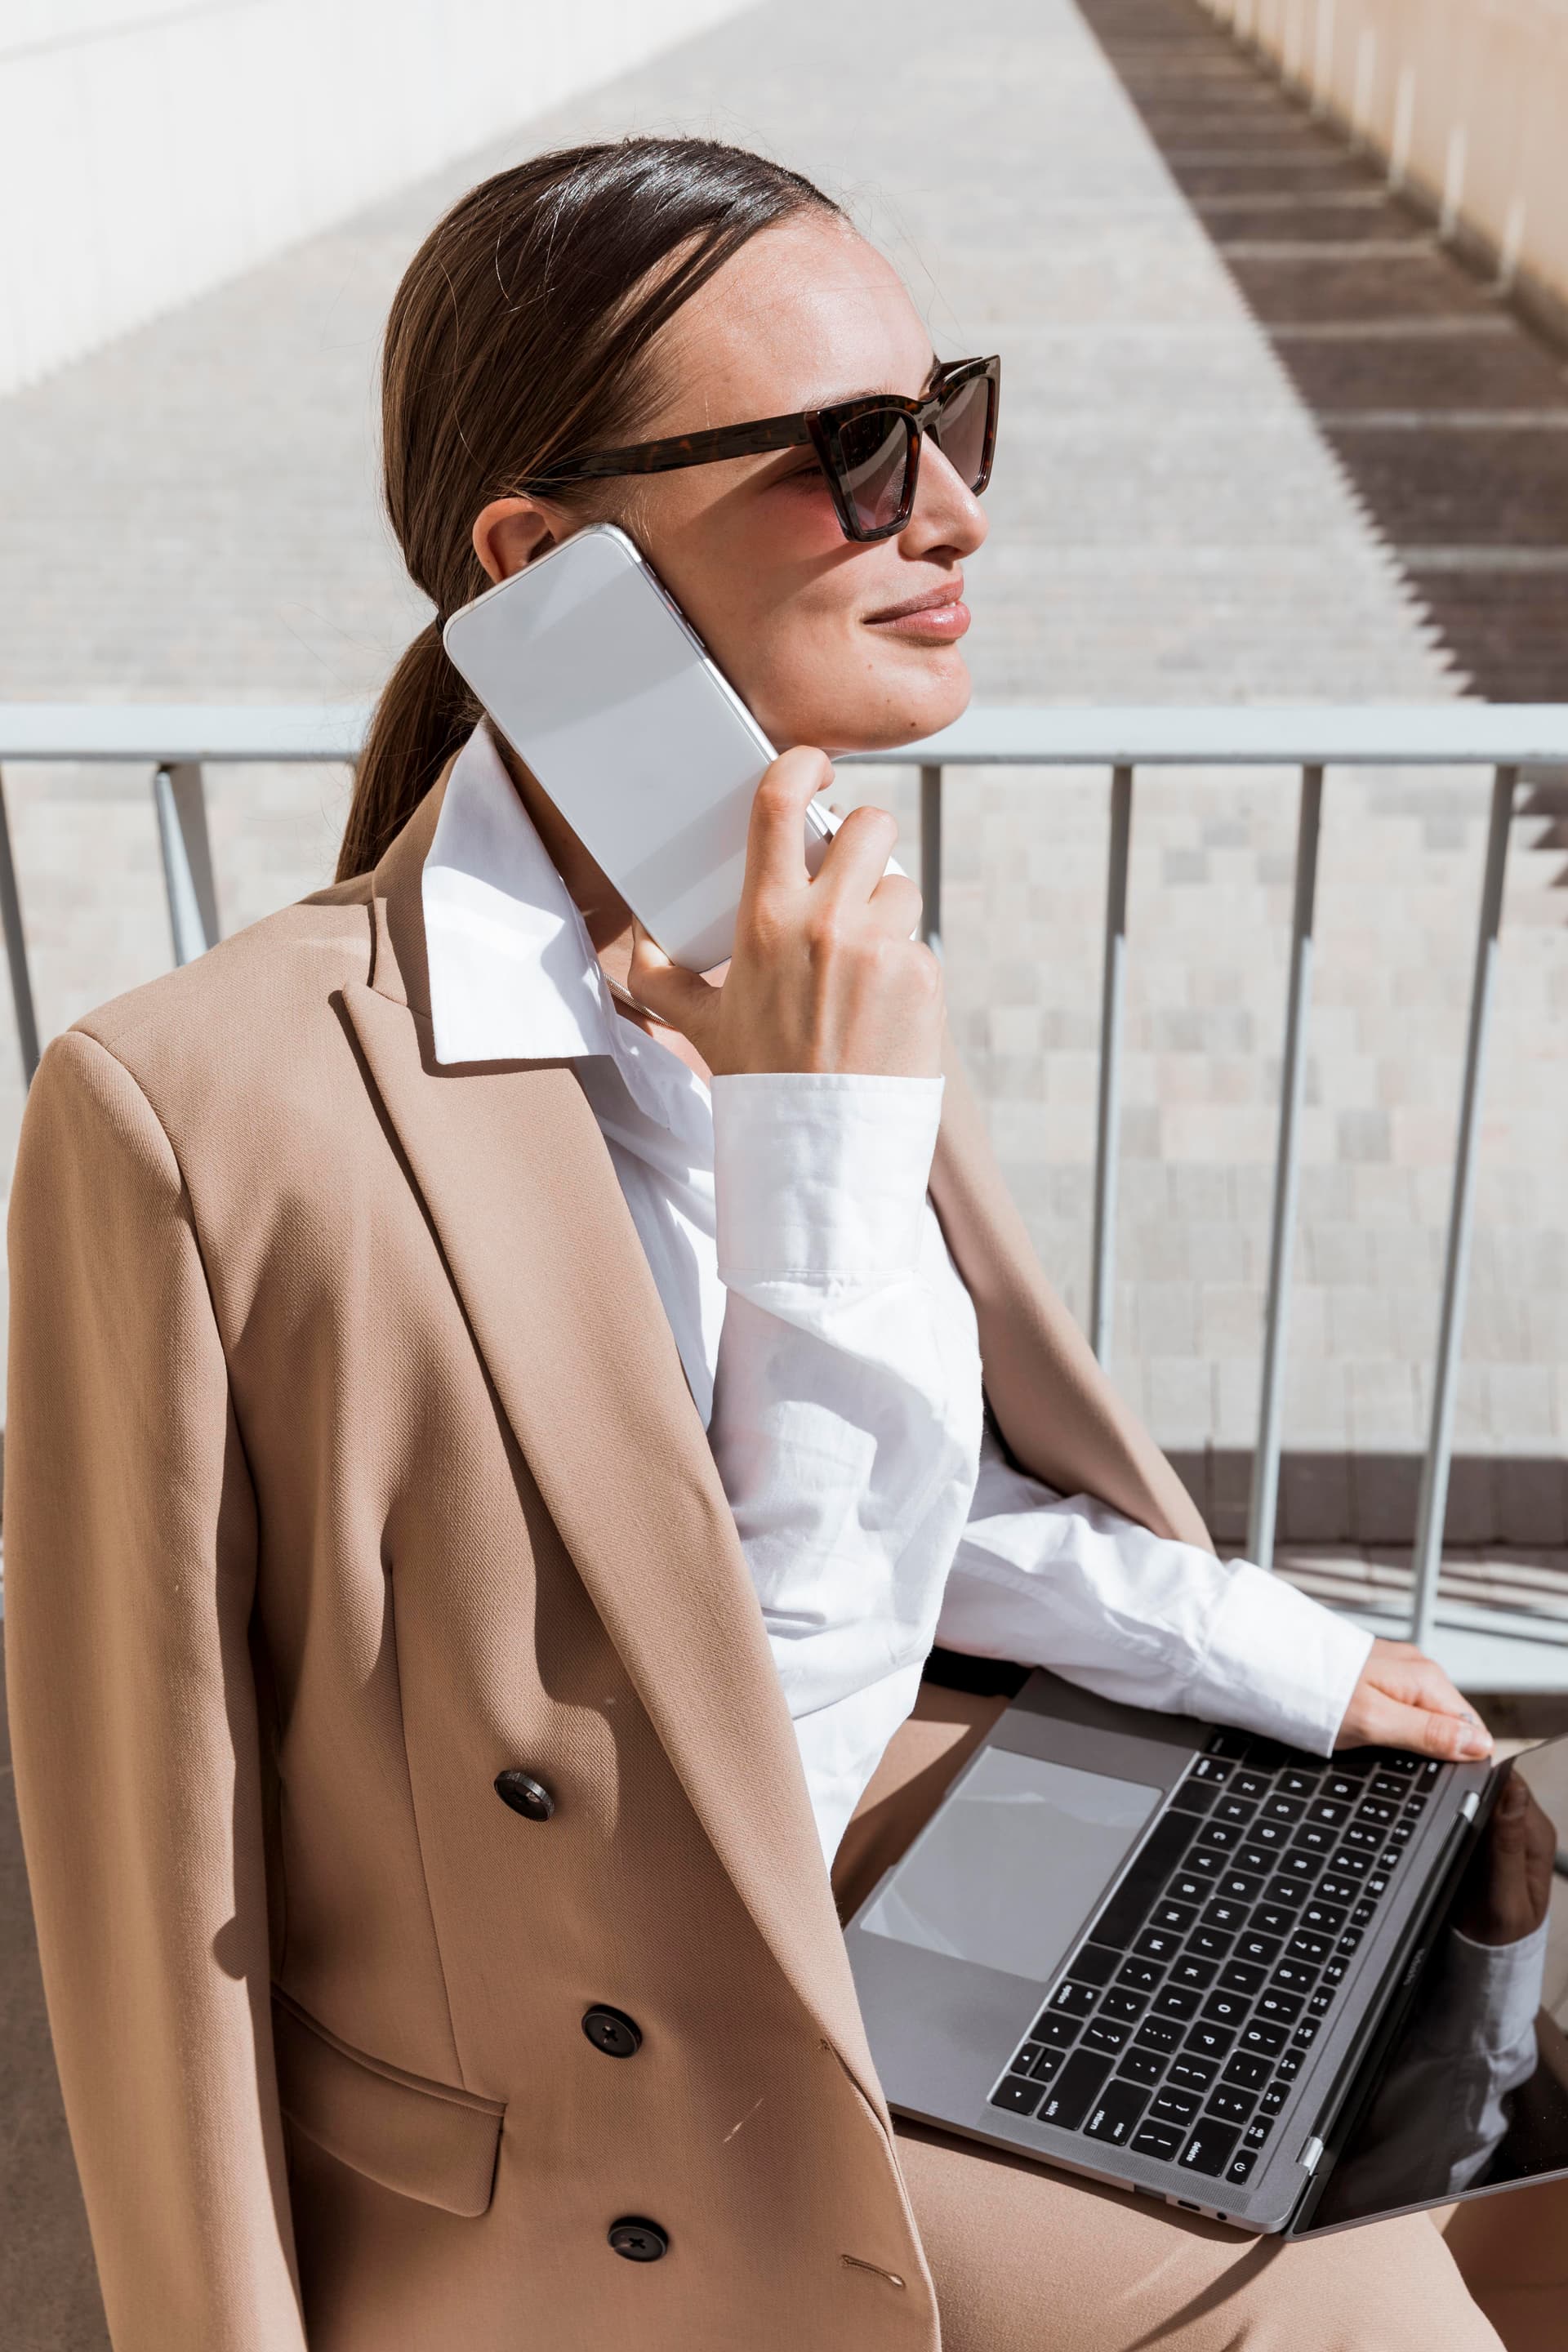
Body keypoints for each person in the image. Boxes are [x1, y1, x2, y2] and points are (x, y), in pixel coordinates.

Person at [2, 136, 1532, 2351]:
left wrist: (1245, 1643)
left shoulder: (791, 919)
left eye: (950, 414)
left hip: (866, 1899)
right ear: (542, 565)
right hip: (615, 2146)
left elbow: (916, 1495)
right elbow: (167, 1910)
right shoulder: (192, 1117)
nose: (958, 509)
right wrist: (814, 1148)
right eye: (852, 453)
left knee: (1454, 1876)